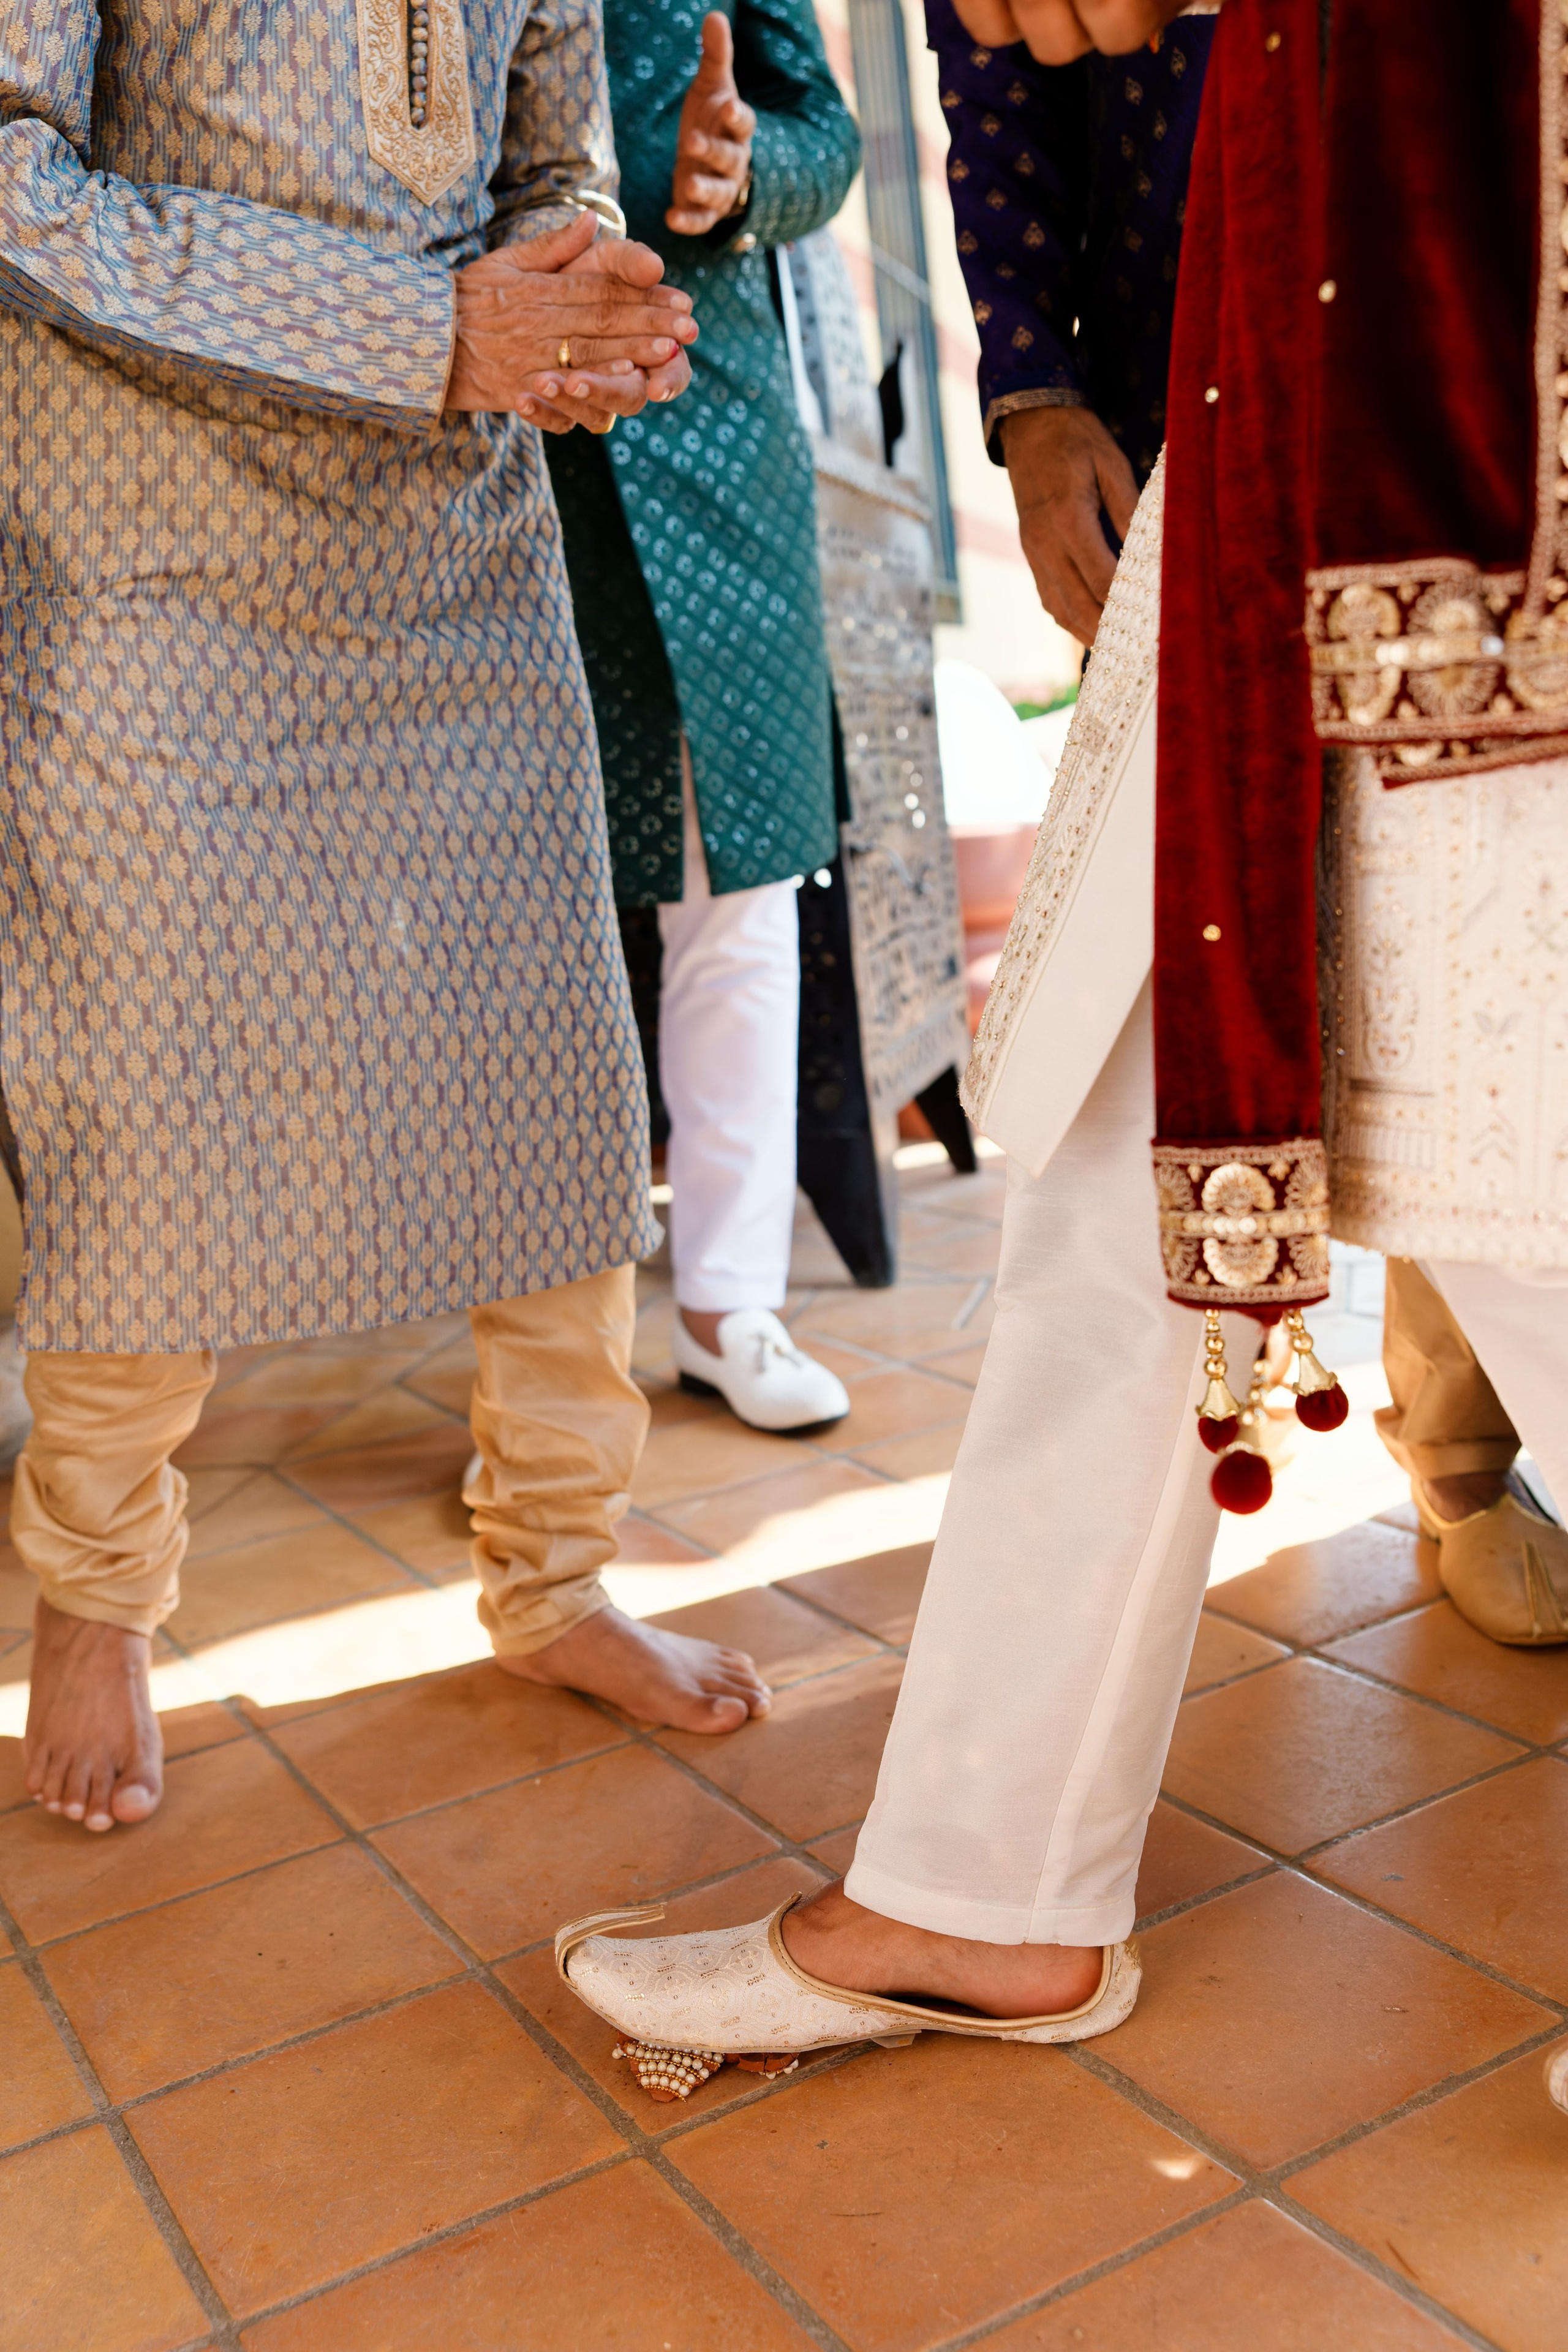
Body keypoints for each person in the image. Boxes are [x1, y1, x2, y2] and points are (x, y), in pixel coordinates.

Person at [556, 0, 1568, 2067]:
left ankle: (976, 1889)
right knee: (1141, 1117)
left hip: (1486, 377)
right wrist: (1039, 381)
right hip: (1293, 334)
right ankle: (977, 1892)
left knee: (1515, 1146)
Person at [6, 0, 775, 1837]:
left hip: (452, 540)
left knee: (552, 1083)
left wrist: (568, 286)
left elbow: (545, 155)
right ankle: (97, 1595)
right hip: (145, 540)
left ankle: (559, 1574)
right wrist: (415, 325)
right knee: (150, 1103)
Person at [545, 2, 860, 1435]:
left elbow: (824, 132)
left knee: (734, 885)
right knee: (508, 898)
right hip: (488, 443)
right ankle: (539, 1335)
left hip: (709, 437)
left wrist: (739, 176)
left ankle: (730, 1303)